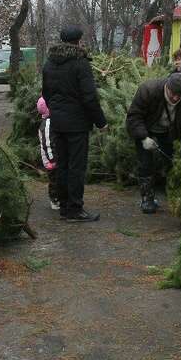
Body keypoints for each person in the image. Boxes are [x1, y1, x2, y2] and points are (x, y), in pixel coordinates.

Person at [41, 26, 108, 222]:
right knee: (77, 167)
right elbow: (89, 98)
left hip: (57, 122)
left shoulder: (49, 64)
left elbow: (46, 94)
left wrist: (56, 110)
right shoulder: (80, 63)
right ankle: (75, 209)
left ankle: (64, 208)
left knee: (62, 165)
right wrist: (101, 122)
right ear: (78, 41)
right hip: (77, 124)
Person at [125, 73, 181, 214]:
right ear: (167, 87)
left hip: (169, 130)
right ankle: (147, 199)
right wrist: (143, 137)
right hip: (146, 127)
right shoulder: (148, 90)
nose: (176, 98)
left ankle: (175, 193)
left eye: (180, 95)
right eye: (173, 93)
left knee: (172, 160)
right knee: (145, 163)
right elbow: (134, 117)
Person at [36, 96, 61, 211]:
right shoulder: (47, 124)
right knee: (54, 179)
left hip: (54, 157)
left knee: (58, 178)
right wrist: (52, 159)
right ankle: (54, 199)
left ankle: (60, 197)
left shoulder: (51, 121)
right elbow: (48, 144)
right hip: (51, 159)